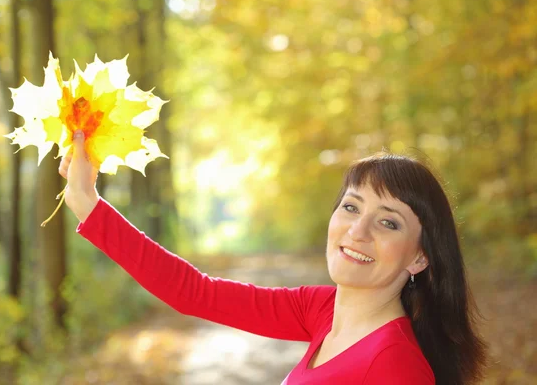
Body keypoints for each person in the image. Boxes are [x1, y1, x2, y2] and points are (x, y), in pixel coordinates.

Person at [59, 130, 488, 385]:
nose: (358, 231)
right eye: (352, 207)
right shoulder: (320, 310)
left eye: (388, 222)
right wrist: (88, 205)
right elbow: (195, 293)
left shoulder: (395, 365)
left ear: (420, 259)